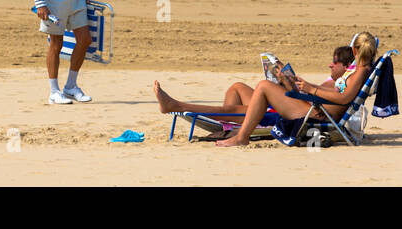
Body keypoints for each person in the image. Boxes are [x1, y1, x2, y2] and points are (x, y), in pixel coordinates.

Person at [209, 35, 378, 147]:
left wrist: (311, 89)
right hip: (318, 108)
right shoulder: (360, 71)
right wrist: (306, 85)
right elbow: (340, 95)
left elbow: (344, 98)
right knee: (274, 83)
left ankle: (241, 137)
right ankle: (237, 132)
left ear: (355, 50)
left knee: (263, 86)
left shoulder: (360, 72)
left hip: (318, 113)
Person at [153, 44, 359, 129]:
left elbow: (309, 99)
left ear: (346, 66)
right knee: (237, 87)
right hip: (289, 104)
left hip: (293, 112)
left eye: (335, 63)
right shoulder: (336, 81)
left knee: (235, 108)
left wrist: (293, 84)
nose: (330, 65)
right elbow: (304, 92)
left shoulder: (343, 84)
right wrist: (285, 78)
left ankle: (175, 105)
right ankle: (229, 125)